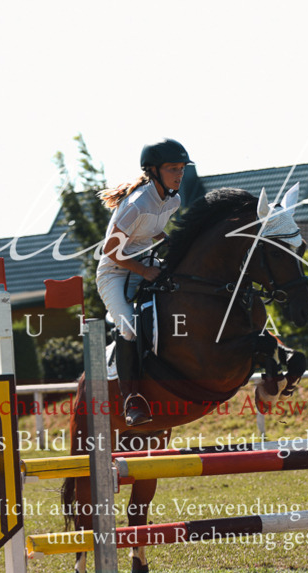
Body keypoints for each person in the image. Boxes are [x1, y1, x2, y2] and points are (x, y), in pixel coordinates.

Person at [96, 138, 192, 426]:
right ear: (153, 170)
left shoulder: (173, 200)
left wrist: (171, 245)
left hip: (144, 263)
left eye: (182, 168)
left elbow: (154, 232)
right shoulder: (135, 204)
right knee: (128, 329)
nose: (179, 174)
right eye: (173, 168)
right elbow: (110, 251)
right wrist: (144, 270)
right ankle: (132, 399)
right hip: (114, 273)